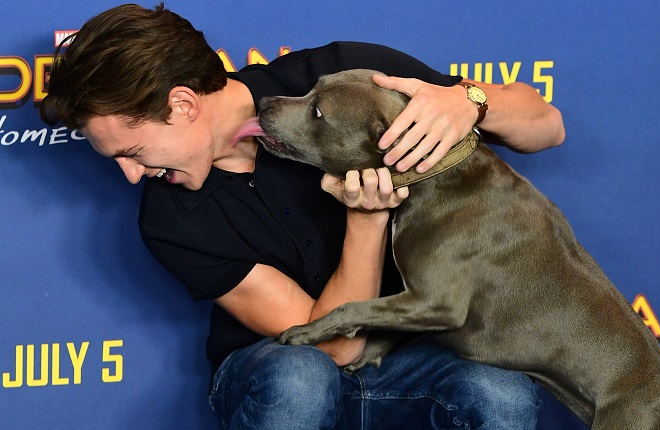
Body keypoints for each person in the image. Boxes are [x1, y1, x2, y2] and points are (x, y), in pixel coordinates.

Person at [41, 4, 564, 429]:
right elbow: (335, 346)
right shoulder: (169, 218)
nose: (131, 175)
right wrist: (366, 221)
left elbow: (547, 126)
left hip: (409, 358)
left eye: (130, 151)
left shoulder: (344, 77)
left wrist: (467, 102)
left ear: (181, 103)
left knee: (500, 391)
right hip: (273, 369)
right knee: (301, 376)